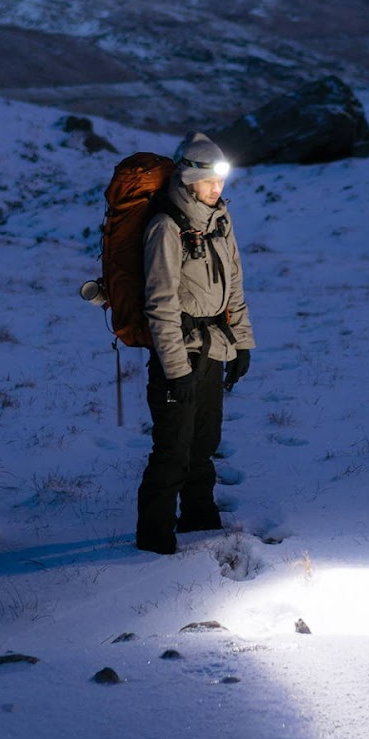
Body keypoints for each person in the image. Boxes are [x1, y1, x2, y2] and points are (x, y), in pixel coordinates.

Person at [136, 131, 255, 555]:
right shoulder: (166, 227)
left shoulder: (220, 219)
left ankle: (200, 523)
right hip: (180, 352)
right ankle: (154, 541)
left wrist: (241, 344)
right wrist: (176, 370)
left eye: (221, 181)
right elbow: (160, 304)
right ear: (188, 179)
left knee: (204, 444)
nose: (217, 189)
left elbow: (234, 285)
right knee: (173, 449)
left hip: (214, 347)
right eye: (209, 181)